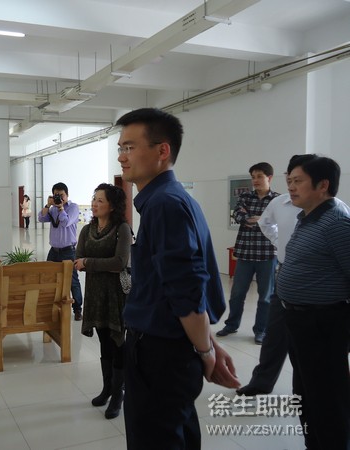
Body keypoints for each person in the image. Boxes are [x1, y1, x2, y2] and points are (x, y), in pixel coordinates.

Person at [116, 108, 240, 450]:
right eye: (120, 148)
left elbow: (186, 292)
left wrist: (206, 351)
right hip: (171, 348)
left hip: (160, 355)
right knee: (176, 434)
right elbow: (179, 286)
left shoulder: (165, 204)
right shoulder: (170, 199)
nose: (121, 157)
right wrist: (207, 343)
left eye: (129, 147)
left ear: (162, 150)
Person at [277, 154, 350, 450]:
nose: (291, 187)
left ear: (323, 185)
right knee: (306, 392)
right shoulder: (308, 217)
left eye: (298, 181)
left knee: (327, 397)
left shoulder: (336, 223)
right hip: (301, 321)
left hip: (323, 323)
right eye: (289, 181)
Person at [74, 183, 131, 420]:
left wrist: (90, 263)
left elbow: (119, 262)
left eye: (100, 200)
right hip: (95, 294)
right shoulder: (87, 230)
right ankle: (107, 388)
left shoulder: (122, 229)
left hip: (116, 293)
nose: (95, 204)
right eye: (94, 199)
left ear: (112, 205)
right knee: (104, 342)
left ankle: (118, 394)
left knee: (118, 342)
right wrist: (88, 262)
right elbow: (77, 259)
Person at [217, 162, 279, 344]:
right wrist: (262, 219)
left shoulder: (277, 200)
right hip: (244, 253)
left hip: (267, 255)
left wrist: (254, 219)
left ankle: (261, 330)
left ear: (269, 178)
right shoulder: (245, 197)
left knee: (265, 297)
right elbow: (237, 215)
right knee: (237, 294)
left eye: (259, 176)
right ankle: (231, 325)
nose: (255, 180)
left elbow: (277, 221)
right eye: (253, 177)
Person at [38, 182, 84, 320]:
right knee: (48, 278)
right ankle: (51, 306)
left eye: (61, 195)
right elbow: (41, 218)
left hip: (68, 251)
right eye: (56, 195)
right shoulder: (52, 209)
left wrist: (61, 208)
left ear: (67, 195)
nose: (59, 198)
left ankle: (77, 309)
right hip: (54, 251)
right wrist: (48, 205)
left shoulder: (73, 208)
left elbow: (65, 222)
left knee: (72, 281)